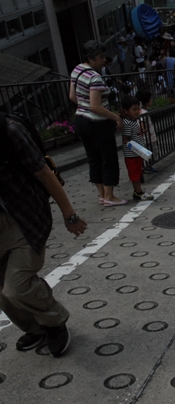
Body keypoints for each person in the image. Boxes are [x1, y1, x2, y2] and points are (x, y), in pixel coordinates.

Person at [0, 115, 88, 357]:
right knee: (2, 291)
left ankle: (54, 322)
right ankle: (35, 327)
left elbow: (44, 173)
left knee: (16, 286)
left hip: (23, 217)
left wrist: (69, 215)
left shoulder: (10, 131)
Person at [69, 40, 127, 206]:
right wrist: (115, 117)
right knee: (108, 158)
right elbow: (96, 106)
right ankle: (110, 196)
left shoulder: (77, 70)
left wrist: (84, 106)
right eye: (100, 57)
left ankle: (102, 195)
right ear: (90, 58)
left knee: (93, 158)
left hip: (81, 120)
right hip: (98, 124)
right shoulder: (95, 78)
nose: (104, 60)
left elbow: (73, 97)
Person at [120, 96, 155, 201]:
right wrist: (135, 147)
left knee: (138, 171)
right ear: (126, 111)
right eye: (134, 110)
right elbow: (125, 139)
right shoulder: (127, 124)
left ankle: (138, 191)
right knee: (135, 173)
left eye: (137, 109)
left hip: (136, 153)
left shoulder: (133, 121)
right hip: (132, 155)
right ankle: (138, 192)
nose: (137, 112)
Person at [134, 90, 158, 173]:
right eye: (151, 99)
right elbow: (141, 121)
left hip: (146, 136)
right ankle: (147, 166)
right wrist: (143, 128)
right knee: (148, 151)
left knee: (147, 151)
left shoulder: (140, 111)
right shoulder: (143, 112)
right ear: (146, 101)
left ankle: (147, 166)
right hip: (147, 136)